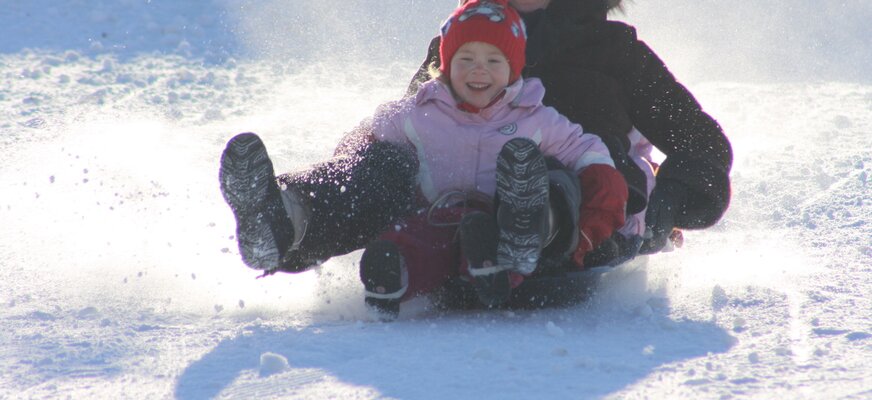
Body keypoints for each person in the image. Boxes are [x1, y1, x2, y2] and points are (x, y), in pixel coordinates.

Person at [219, 0, 628, 319]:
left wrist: (601, 183)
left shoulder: (534, 117)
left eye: (493, 61)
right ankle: (283, 216)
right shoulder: (423, 110)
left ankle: (519, 242)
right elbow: (368, 137)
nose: (478, 72)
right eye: (465, 60)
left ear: (513, 68)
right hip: (434, 218)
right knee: (404, 236)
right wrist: (347, 168)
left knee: (530, 187)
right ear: (447, 66)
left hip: (501, 220)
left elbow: (586, 150)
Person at [393, 0, 734, 265]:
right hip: (458, 210)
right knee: (389, 164)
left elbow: (703, 143)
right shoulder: (459, 47)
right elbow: (410, 126)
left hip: (586, 224)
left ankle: (539, 228)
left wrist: (668, 202)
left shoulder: (614, 53)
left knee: (557, 177)